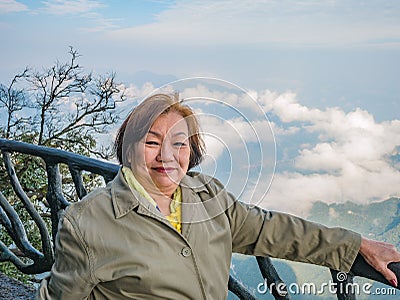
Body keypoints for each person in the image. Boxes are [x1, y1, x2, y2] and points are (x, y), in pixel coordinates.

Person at [37, 93, 400, 299]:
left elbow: (272, 231)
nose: (167, 156)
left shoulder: (207, 195)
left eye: (179, 143)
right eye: (151, 142)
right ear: (127, 149)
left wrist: (354, 245)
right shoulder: (87, 223)